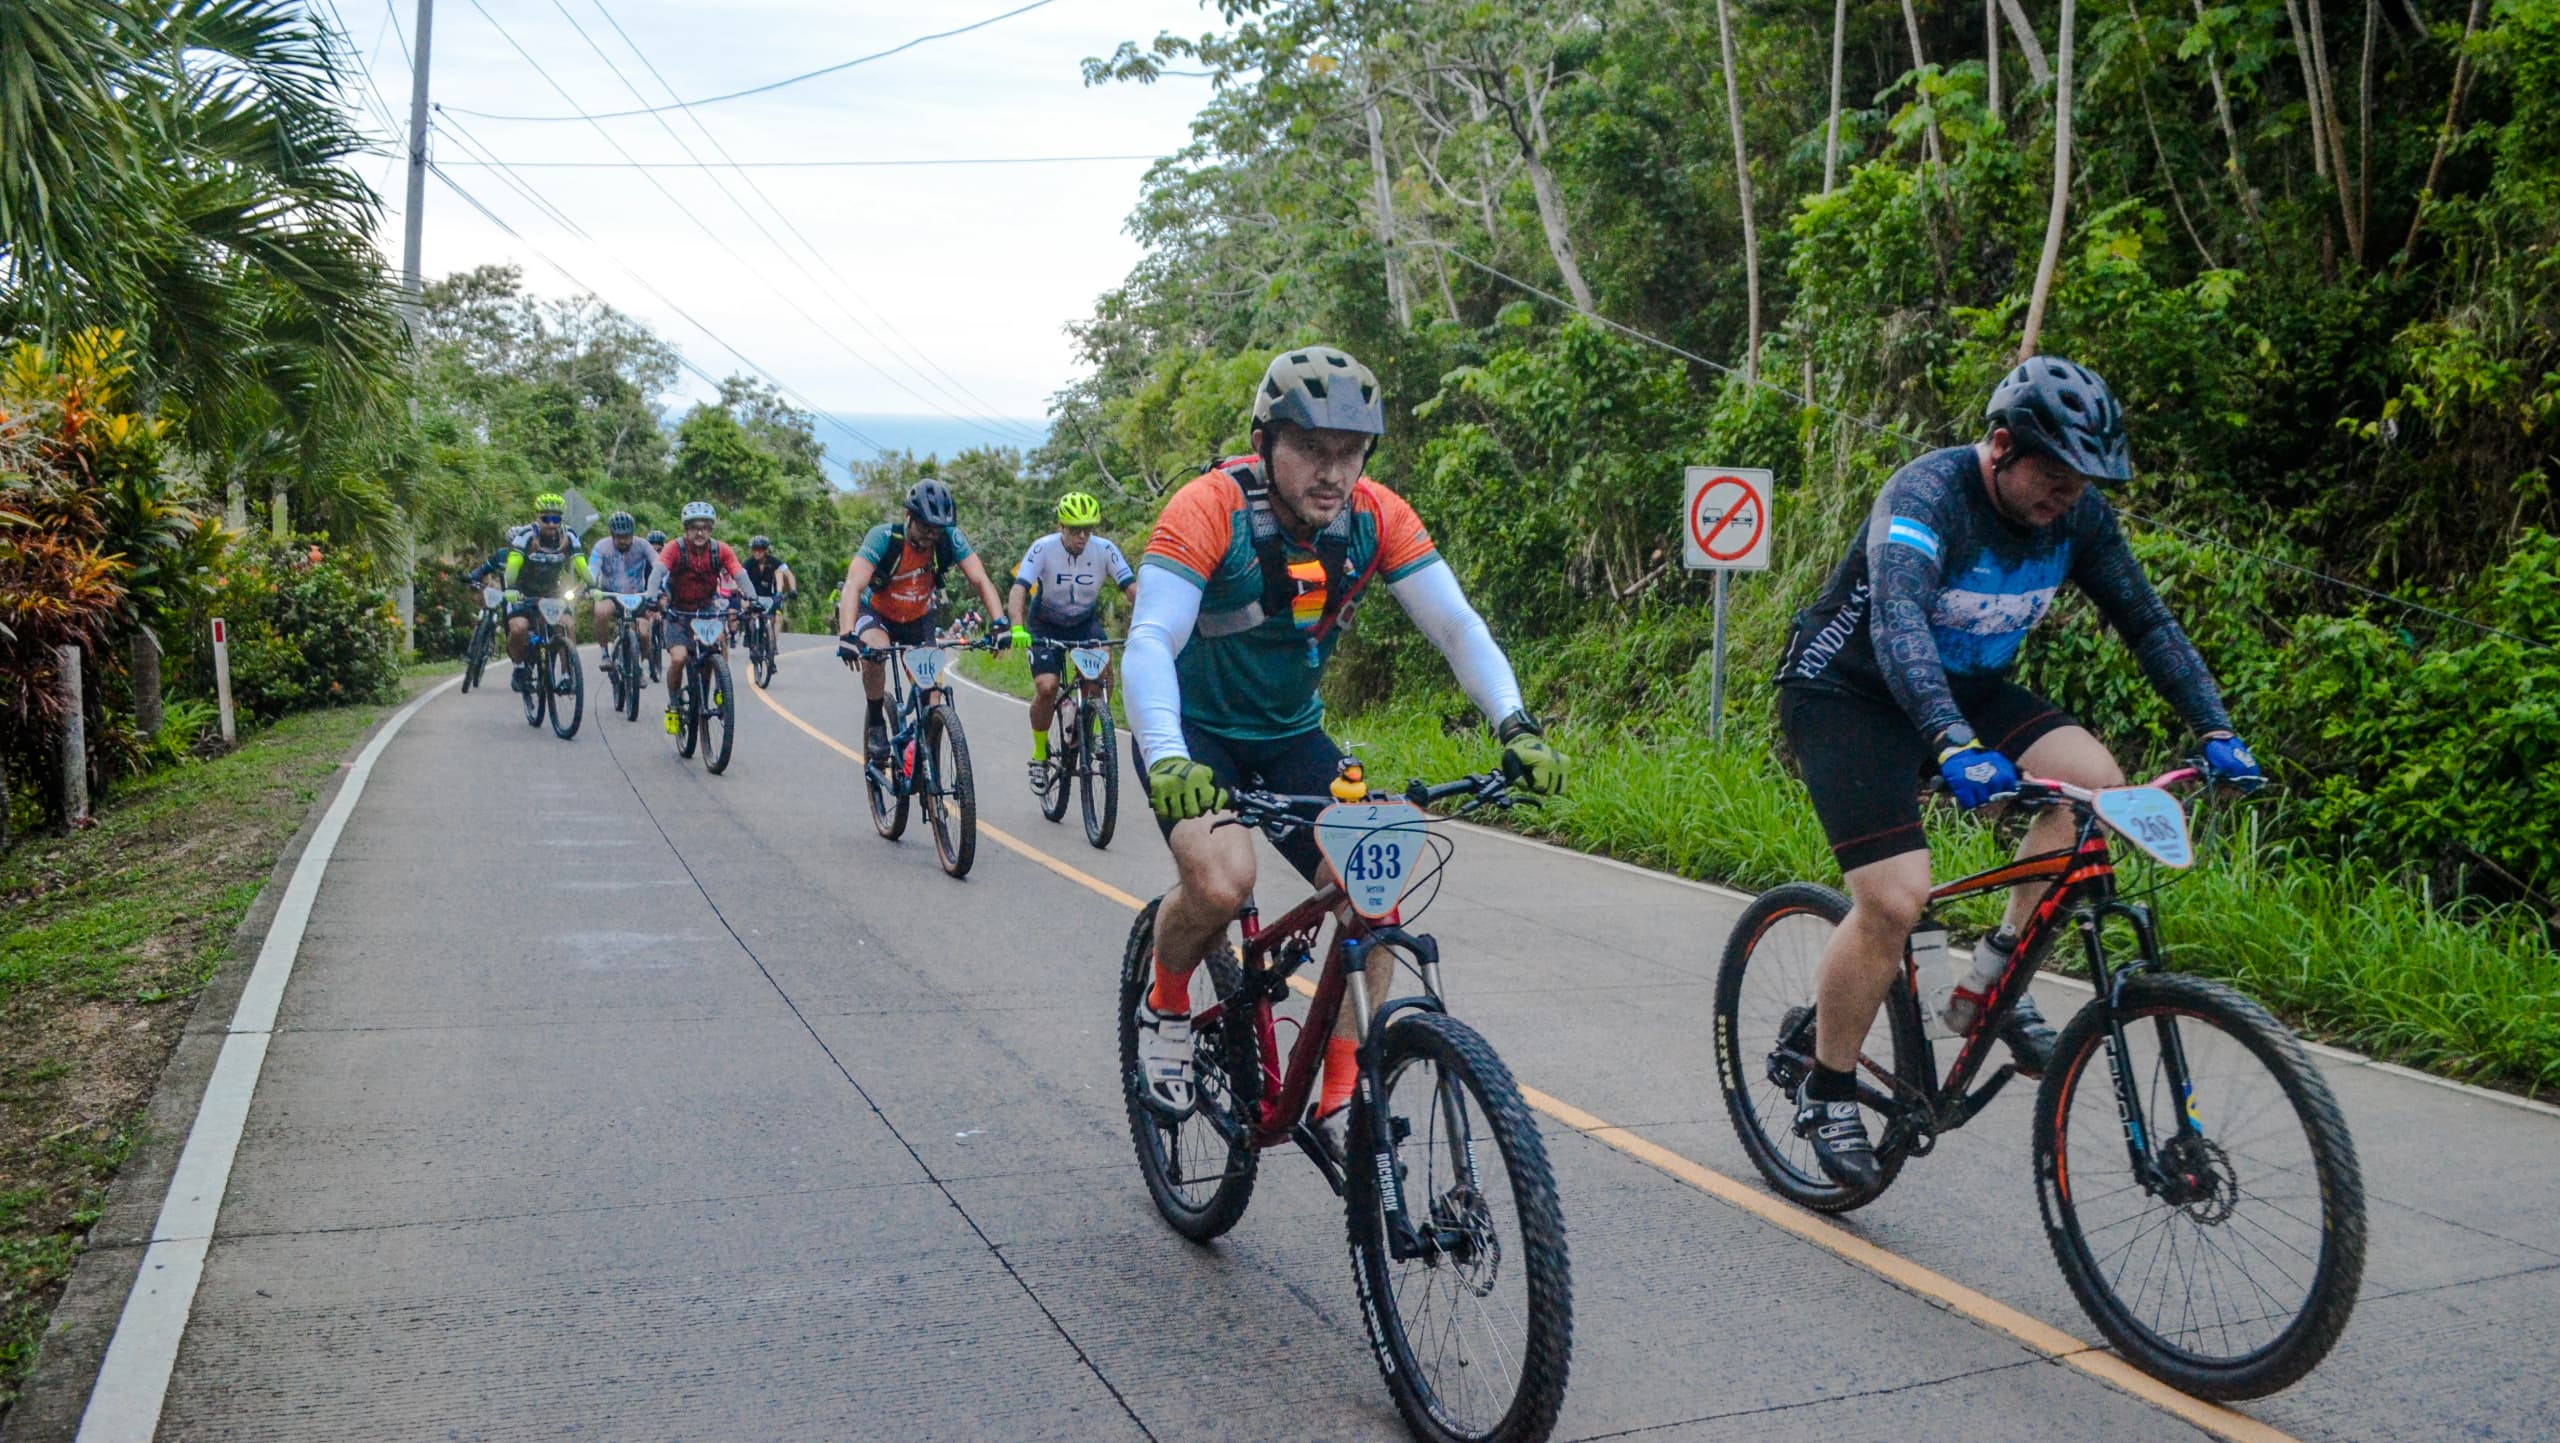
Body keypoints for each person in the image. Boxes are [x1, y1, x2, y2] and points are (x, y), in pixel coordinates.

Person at [1773, 356, 2266, 1190]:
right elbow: (1897, 624)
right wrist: (1953, 742)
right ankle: (1827, 1086)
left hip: (1968, 686)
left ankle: (1990, 979)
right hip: (1848, 690)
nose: (2066, 496)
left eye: (2083, 481)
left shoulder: (2079, 520)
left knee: (2098, 787)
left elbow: (2146, 621)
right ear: (2000, 446)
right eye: (2054, 475)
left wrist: (2213, 725)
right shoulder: (1928, 497)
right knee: (1895, 899)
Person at [1122, 346, 1566, 1154]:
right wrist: (1165, 756)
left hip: (1292, 735)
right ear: (1266, 443)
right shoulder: (1205, 509)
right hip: (1193, 736)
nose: (1334, 473)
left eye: (1350, 454)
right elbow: (1150, 638)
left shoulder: (1377, 518)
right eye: (1313, 451)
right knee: (1223, 885)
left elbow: (1457, 625)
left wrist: (1515, 723)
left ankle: (1335, 1098)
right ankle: (1167, 994)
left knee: (1377, 878)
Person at [834, 480, 1013, 763]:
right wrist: (846, 636)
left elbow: (980, 579)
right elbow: (853, 585)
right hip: (877, 613)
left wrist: (1001, 624)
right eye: (925, 528)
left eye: (937, 530)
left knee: (933, 697)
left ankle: (924, 760)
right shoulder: (883, 538)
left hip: (918, 617)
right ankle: (877, 721)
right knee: (876, 651)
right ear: (908, 517)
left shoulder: (950, 540)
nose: (931, 536)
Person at [1008, 492, 1136, 791]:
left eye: (1088, 529)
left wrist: (1150, 623)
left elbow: (1132, 589)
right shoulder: (1042, 548)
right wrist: (1016, 628)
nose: (1082, 536)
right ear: (1061, 526)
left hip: (1083, 624)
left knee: (1100, 675)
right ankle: (1040, 756)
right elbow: (1019, 588)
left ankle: (1090, 727)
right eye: (1075, 529)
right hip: (1045, 625)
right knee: (1047, 687)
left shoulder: (1104, 549)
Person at [654, 500, 754, 734]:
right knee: (678, 658)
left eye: (705, 527)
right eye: (694, 527)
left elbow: (739, 573)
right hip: (678, 610)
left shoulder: (721, 550)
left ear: (711, 529)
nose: (700, 532)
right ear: (686, 529)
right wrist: (652, 596)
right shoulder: (674, 549)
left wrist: (753, 598)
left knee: (718, 642)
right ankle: (674, 705)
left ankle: (721, 689)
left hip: (706, 607)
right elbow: (658, 571)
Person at [501, 493, 591, 694]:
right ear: (537, 517)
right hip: (523, 592)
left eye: (556, 519)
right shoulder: (526, 535)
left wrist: (593, 585)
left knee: (567, 625)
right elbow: (513, 565)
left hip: (551, 591)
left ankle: (568, 676)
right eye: (546, 519)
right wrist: (511, 588)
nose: (551, 524)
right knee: (518, 628)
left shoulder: (569, 536)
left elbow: (580, 563)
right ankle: (518, 668)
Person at [587, 511, 663, 671]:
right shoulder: (601, 546)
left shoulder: (643, 545)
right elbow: (592, 568)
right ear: (611, 534)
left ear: (632, 534)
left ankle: (640, 665)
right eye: (618, 537)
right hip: (611, 595)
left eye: (626, 536)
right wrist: (591, 585)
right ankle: (605, 654)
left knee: (643, 634)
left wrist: (661, 586)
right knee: (600, 611)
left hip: (638, 595)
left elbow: (658, 564)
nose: (623, 540)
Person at [742, 535, 797, 672]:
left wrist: (793, 589)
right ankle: (750, 638)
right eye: (754, 549)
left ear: (766, 550)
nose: (757, 552)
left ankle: (771, 651)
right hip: (754, 596)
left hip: (771, 597)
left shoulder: (775, 563)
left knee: (774, 620)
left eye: (760, 550)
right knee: (748, 615)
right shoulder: (748, 564)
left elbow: (789, 575)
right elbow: (740, 577)